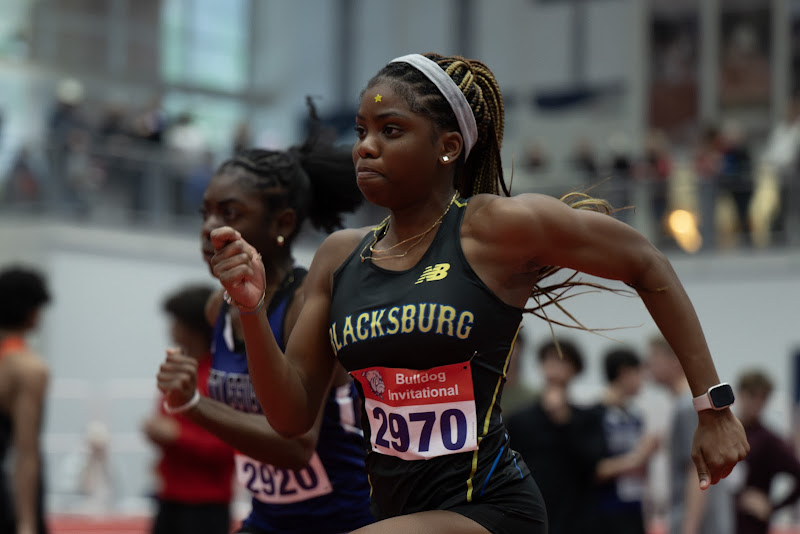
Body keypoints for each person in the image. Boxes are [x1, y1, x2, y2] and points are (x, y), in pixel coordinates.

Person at [207, 53, 749, 534]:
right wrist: (252, 309)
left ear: (447, 147)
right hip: (394, 516)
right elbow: (291, 417)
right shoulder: (339, 256)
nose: (365, 147)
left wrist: (713, 407)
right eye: (360, 130)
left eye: (390, 130)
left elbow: (646, 261)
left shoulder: (495, 229)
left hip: (489, 510)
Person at [156, 97, 373, 534]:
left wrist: (194, 405)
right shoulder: (218, 308)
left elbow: (296, 447)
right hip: (267, 518)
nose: (209, 227)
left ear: (282, 223)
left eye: (229, 213)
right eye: (205, 213)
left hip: (342, 523)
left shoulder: (305, 304)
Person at [143, 284, 235, 534]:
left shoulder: (221, 375)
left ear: (192, 328)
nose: (170, 328)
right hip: (170, 495)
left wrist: (176, 436)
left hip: (207, 501)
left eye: (176, 322)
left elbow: (231, 444)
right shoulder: (178, 368)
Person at [506, 339, 604, 534]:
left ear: (575, 369)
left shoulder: (589, 418)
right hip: (533, 514)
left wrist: (564, 421)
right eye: (549, 360)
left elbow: (593, 466)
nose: (555, 367)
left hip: (577, 516)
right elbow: (510, 469)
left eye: (563, 361)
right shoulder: (519, 419)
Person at [647, 335, 735, 534]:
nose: (649, 365)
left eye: (655, 358)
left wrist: (689, 528)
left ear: (675, 360)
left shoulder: (688, 407)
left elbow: (698, 472)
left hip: (700, 524)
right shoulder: (689, 405)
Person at [0, 265, 51, 534]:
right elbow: (25, 452)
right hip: (10, 497)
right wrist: (27, 522)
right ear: (33, 314)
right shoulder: (27, 369)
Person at [590, 347, 660, 534]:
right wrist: (638, 457)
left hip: (635, 511)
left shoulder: (635, 417)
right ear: (624, 372)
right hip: (606, 514)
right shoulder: (594, 415)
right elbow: (593, 469)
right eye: (639, 373)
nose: (643, 380)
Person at [732, 369, 800, 534]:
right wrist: (737, 496)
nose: (756, 403)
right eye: (752, 395)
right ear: (740, 394)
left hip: (750, 526)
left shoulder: (768, 441)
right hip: (719, 521)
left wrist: (772, 507)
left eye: (762, 398)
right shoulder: (724, 434)